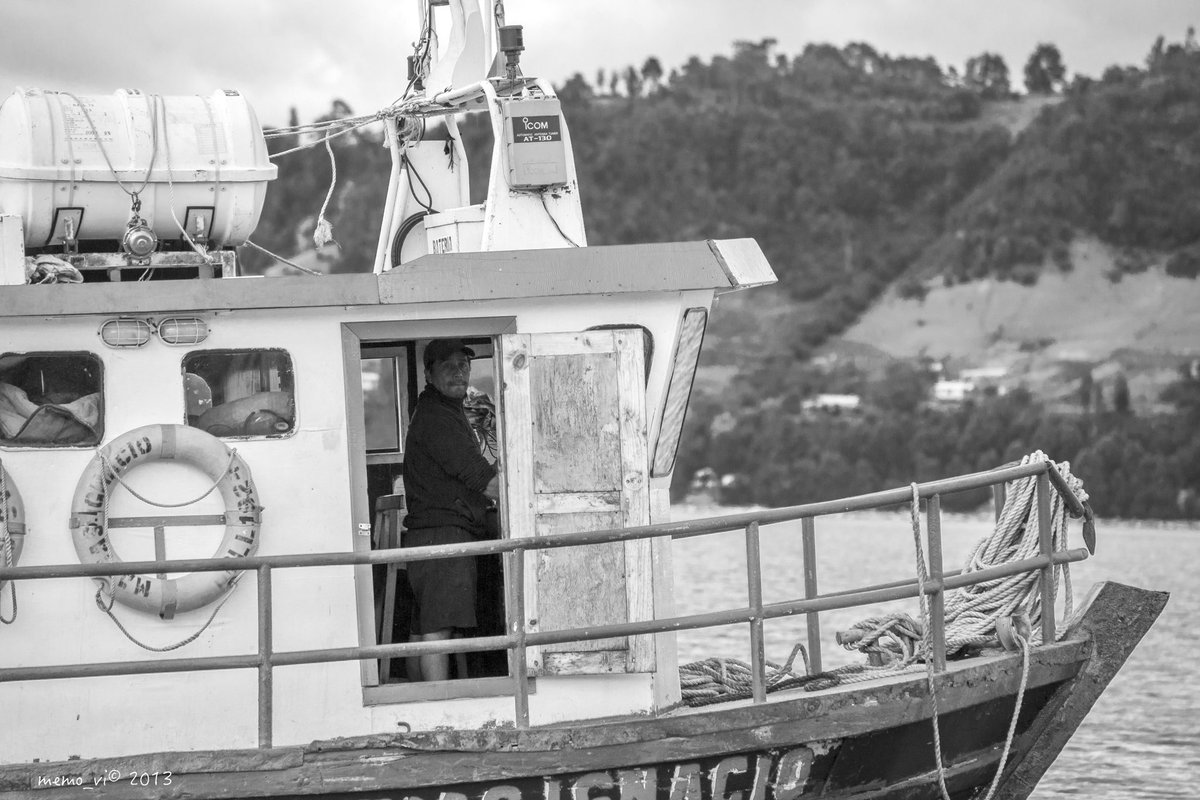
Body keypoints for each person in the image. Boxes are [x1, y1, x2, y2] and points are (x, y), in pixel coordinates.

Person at [402, 339, 499, 681]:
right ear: (428, 373)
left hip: (432, 535)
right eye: (448, 366)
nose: (459, 373)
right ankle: (435, 711)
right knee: (438, 632)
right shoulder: (437, 417)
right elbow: (483, 480)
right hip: (441, 535)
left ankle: (419, 704)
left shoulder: (441, 408)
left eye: (464, 365)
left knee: (425, 630)